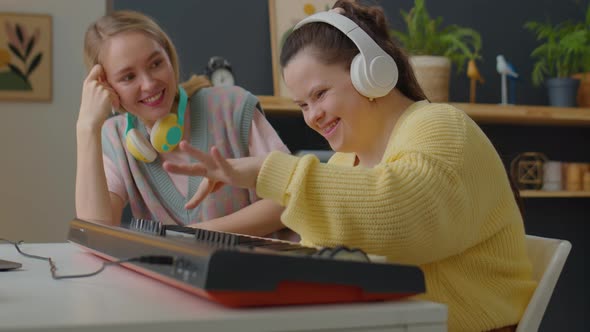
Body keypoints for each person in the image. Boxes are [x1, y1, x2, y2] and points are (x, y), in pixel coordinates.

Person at [163, 1, 538, 331]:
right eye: (303, 105)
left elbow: (396, 218)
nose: (313, 116)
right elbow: (328, 259)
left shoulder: (441, 125)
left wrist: (267, 170)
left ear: (370, 73)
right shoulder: (347, 161)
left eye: (319, 94)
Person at [75, 10, 290, 237]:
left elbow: (292, 194)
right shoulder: (115, 137)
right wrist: (87, 127)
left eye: (156, 63)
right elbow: (95, 232)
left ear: (169, 57)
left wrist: (192, 235)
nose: (149, 84)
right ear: (107, 87)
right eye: (128, 77)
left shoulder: (231, 106)